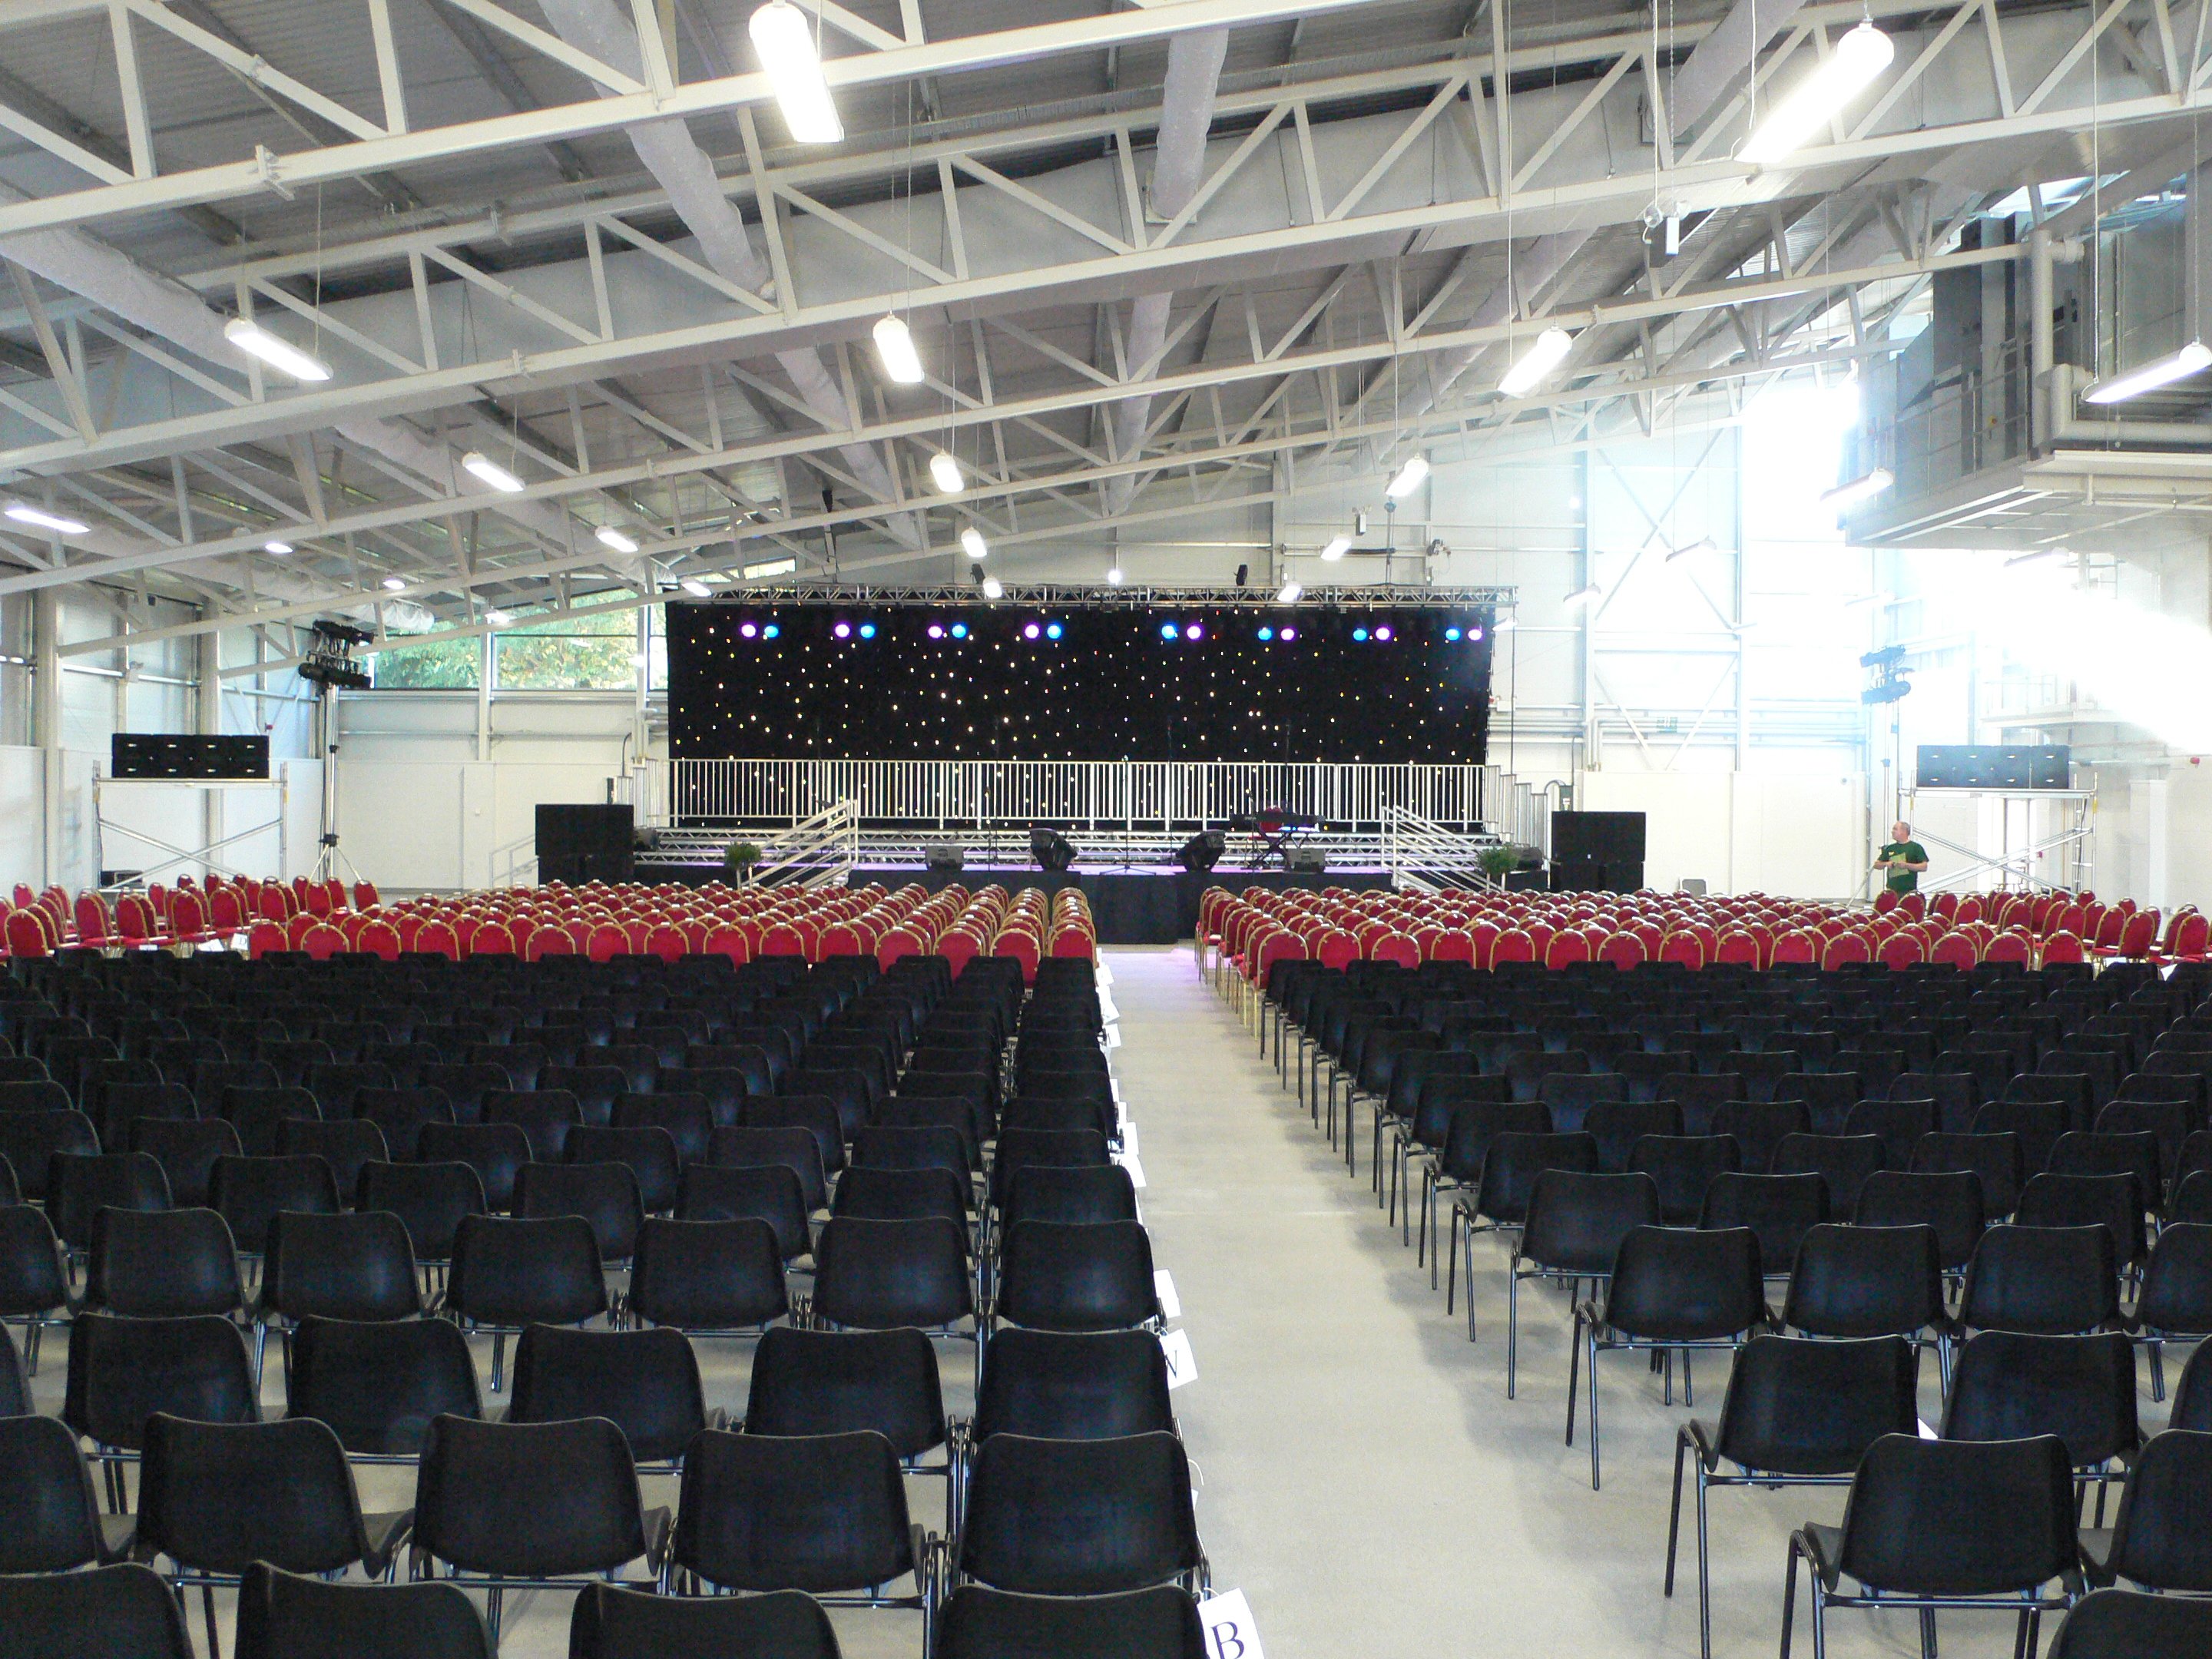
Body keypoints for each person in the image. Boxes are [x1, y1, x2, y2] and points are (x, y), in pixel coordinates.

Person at [1873, 820, 1929, 896]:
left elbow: (1924, 867)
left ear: (1904, 831)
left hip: (1909, 891)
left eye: (1895, 829)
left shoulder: (1915, 847)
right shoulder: (1890, 848)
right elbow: (1876, 865)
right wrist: (1886, 864)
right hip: (1891, 891)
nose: (1892, 832)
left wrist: (1906, 865)